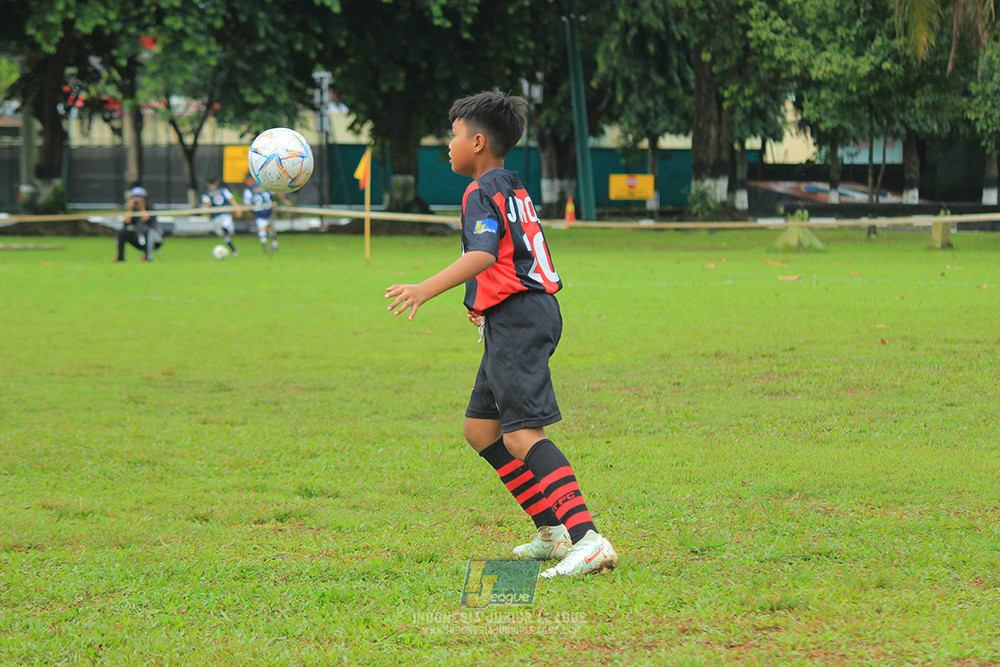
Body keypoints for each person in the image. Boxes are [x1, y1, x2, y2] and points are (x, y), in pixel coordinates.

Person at [384, 89, 618, 578]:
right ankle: (552, 532)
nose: (448, 145)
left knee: (521, 435)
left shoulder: (479, 191)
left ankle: (588, 539)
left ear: (478, 142)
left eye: (453, 136)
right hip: (519, 312)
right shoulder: (510, 187)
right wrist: (481, 301)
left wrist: (425, 288)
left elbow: (485, 253)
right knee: (481, 431)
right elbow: (512, 255)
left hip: (521, 319)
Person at [242, 173, 290, 253]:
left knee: (262, 229)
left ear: (251, 180)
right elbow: (278, 192)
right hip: (268, 209)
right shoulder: (265, 186)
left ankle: (265, 245)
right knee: (270, 227)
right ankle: (274, 244)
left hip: (259, 211)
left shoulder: (248, 190)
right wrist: (285, 201)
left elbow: (247, 204)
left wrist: (249, 212)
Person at [115, 186, 163, 262]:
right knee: (122, 232)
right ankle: (120, 258)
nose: (137, 200)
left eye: (139, 197)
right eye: (134, 197)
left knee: (148, 232)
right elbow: (126, 223)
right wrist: (130, 208)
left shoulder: (150, 208)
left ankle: (148, 258)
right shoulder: (132, 210)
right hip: (139, 236)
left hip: (154, 238)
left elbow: (148, 222)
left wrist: (142, 208)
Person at [202, 176, 242, 256]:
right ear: (217, 182)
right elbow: (231, 200)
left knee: (223, 235)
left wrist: (208, 215)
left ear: (207, 184)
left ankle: (233, 250)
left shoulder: (206, 194)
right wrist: (238, 209)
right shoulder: (223, 190)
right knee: (229, 231)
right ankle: (234, 250)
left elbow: (208, 205)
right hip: (225, 213)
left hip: (216, 215)